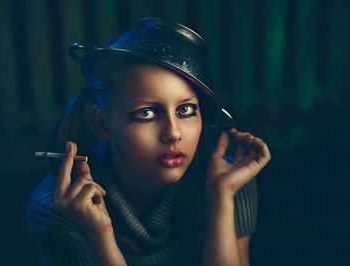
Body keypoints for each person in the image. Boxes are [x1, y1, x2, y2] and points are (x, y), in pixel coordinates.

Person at [27, 17, 271, 266]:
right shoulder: (57, 207)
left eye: (186, 110)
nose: (173, 134)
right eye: (146, 113)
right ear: (103, 123)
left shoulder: (229, 181)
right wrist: (100, 234)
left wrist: (221, 196)